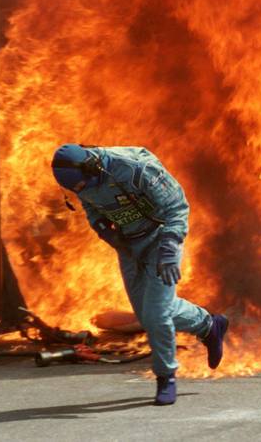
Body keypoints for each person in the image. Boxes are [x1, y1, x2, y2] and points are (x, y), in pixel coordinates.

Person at [51, 144, 228, 406]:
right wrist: (108, 234)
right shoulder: (82, 183)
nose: (82, 192)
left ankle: (166, 377)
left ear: (93, 167)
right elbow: (93, 210)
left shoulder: (136, 168)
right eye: (77, 191)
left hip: (160, 240)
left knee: (157, 314)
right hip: (129, 246)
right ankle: (209, 325)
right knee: (148, 316)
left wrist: (169, 250)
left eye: (83, 186)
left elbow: (176, 209)